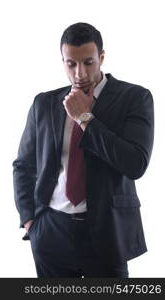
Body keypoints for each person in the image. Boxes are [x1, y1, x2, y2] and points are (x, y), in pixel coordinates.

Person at [12, 22, 154, 278]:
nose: (80, 72)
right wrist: (30, 221)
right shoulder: (44, 103)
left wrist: (85, 118)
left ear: (101, 57)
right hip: (51, 231)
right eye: (71, 64)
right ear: (63, 61)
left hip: (107, 234)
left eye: (88, 62)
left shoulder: (135, 98)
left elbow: (135, 163)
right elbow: (23, 165)